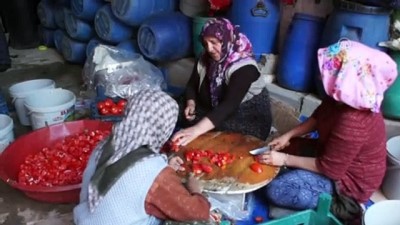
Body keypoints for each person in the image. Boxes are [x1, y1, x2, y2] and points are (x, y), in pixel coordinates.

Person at [256, 40, 397, 224]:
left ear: (345, 76)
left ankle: (332, 210)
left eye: (332, 70)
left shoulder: (354, 120)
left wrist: (284, 160)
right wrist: (288, 136)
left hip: (347, 187)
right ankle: (292, 202)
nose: (323, 74)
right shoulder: (341, 96)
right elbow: (316, 118)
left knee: (276, 189)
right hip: (331, 156)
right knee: (288, 147)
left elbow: (329, 169)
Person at [73, 90, 211, 225]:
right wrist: (195, 190)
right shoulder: (154, 173)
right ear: (164, 126)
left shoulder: (104, 146)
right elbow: (197, 212)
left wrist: (165, 166)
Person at [172, 18, 272, 146]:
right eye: (205, 43)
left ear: (227, 40)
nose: (209, 49)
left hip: (244, 115)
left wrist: (196, 130)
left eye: (214, 42)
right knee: (176, 108)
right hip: (212, 109)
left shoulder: (244, 67)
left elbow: (228, 106)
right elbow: (192, 84)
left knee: (224, 135)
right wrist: (191, 103)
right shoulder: (205, 58)